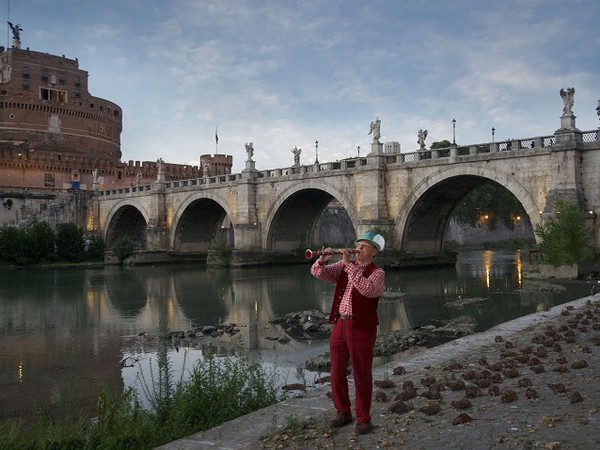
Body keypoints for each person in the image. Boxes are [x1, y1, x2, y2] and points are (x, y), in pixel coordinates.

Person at [310, 231, 386, 435]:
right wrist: (322, 261)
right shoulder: (344, 267)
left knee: (361, 372)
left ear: (374, 253)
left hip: (361, 325)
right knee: (336, 370)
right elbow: (318, 273)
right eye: (358, 245)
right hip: (340, 324)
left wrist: (348, 265)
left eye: (365, 246)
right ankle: (342, 411)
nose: (359, 249)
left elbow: (367, 289)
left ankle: (363, 418)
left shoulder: (377, 272)